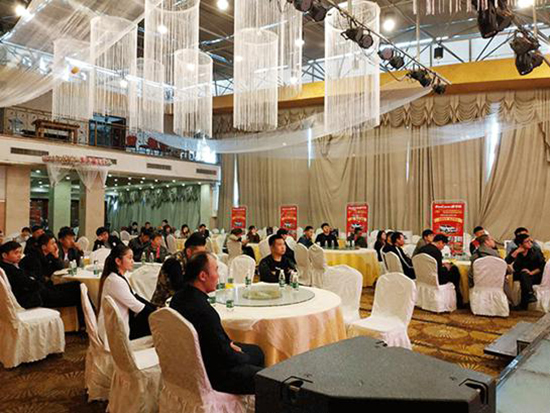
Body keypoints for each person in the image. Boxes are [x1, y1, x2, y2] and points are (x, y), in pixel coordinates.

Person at [170, 252, 265, 394]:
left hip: (188, 362)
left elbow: (212, 339)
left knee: (256, 351)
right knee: (264, 374)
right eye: (215, 270)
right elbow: (223, 356)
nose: (218, 275)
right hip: (213, 373)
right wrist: (240, 355)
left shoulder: (177, 298)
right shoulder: (204, 311)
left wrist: (227, 344)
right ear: (203, 276)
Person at [0, 241, 82, 314]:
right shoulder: (9, 269)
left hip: (39, 290)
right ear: (4, 255)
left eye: (20, 252)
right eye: (16, 253)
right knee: (78, 290)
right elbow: (28, 283)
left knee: (77, 285)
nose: (19, 255)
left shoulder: (12, 266)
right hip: (34, 297)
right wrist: (38, 281)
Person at [97, 245, 157, 343]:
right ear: (118, 261)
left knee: (153, 318)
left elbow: (136, 296)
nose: (132, 261)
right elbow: (136, 305)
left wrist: (155, 308)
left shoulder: (120, 277)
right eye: (129, 258)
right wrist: (157, 313)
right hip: (115, 328)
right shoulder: (114, 281)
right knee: (155, 323)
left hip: (123, 320)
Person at [151, 232, 207, 307]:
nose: (201, 257)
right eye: (199, 254)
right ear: (189, 252)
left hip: (183, 303)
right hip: (163, 306)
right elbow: (180, 289)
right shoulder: (174, 262)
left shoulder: (193, 262)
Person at [417, 234, 464, 307]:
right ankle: (459, 300)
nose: (443, 247)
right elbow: (439, 271)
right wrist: (446, 268)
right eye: (443, 245)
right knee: (454, 270)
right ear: (440, 242)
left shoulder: (422, 249)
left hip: (423, 278)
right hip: (436, 279)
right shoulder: (436, 252)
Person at [505, 233, 546, 309]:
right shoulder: (515, 251)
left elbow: (542, 266)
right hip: (520, 274)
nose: (530, 243)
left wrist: (531, 272)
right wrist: (516, 252)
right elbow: (506, 262)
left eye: (530, 241)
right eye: (527, 242)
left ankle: (526, 301)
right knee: (524, 275)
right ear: (520, 244)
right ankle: (529, 295)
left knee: (525, 276)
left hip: (535, 275)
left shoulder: (535, 251)